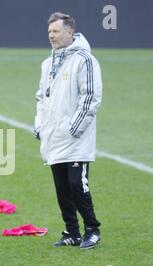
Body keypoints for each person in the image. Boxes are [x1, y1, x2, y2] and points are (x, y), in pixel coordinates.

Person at [33, 13, 103, 249]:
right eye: (49, 31)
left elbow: (91, 98)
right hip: (53, 137)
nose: (51, 35)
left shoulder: (85, 60)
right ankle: (71, 232)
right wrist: (40, 125)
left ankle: (92, 229)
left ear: (69, 33)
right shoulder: (47, 63)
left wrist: (74, 128)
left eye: (56, 31)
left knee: (77, 184)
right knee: (62, 186)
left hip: (75, 138)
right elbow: (41, 97)